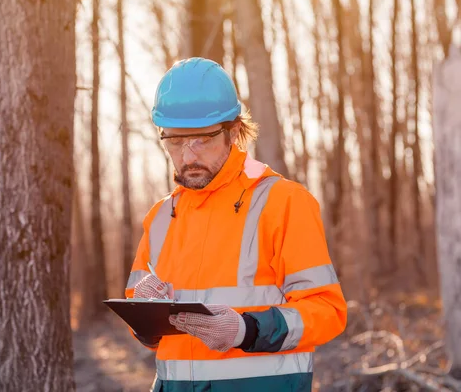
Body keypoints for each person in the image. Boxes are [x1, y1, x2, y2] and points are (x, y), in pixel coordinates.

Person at [124, 57, 347, 392]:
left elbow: (327, 311)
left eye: (202, 139)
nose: (188, 156)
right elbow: (144, 332)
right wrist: (144, 316)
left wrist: (245, 330)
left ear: (233, 131)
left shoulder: (283, 202)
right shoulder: (159, 218)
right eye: (175, 141)